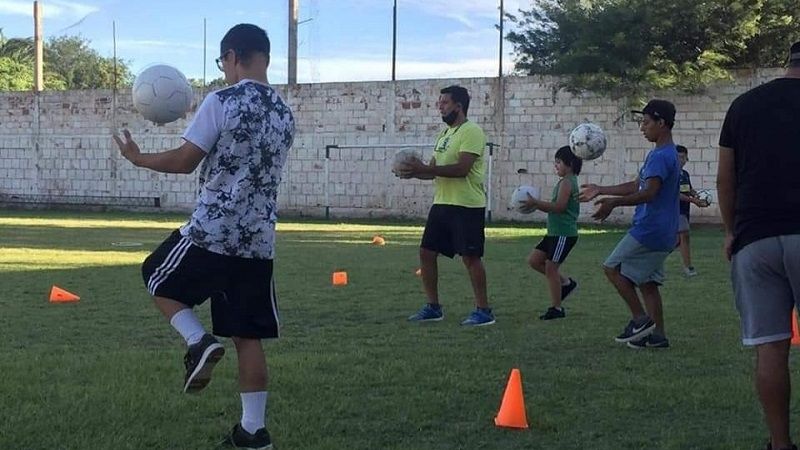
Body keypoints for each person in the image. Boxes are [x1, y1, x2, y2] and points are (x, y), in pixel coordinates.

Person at [113, 24, 294, 450]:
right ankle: (253, 432)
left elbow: (185, 160)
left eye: (223, 62)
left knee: (155, 274)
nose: (224, 70)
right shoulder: (284, 114)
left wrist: (138, 158)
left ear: (232, 56)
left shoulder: (222, 101)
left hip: (214, 229)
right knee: (247, 336)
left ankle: (198, 342)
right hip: (258, 241)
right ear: (265, 57)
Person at [717, 41, 800, 450]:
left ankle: (780, 444)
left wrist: (732, 231)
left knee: (770, 348)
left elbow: (725, 179)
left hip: (755, 241)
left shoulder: (743, 106)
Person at [579, 99, 680, 349]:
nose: (642, 128)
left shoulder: (661, 156)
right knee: (648, 283)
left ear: (661, 123)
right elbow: (637, 185)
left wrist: (614, 203)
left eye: (646, 123)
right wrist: (601, 189)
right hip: (664, 231)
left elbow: (649, 193)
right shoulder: (662, 153)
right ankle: (657, 337)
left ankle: (640, 320)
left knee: (611, 267)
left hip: (650, 230)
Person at [397, 85, 494, 326]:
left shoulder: (472, 131)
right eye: (439, 102)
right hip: (442, 203)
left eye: (444, 103)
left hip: (466, 205)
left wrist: (424, 168)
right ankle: (433, 307)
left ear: (458, 106)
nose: (440, 106)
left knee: (470, 257)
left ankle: (484, 311)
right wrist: (412, 172)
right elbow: (433, 171)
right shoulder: (444, 135)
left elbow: (462, 169)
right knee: (426, 252)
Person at [520, 145, 581, 320]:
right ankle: (566, 284)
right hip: (554, 233)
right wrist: (537, 204)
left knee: (551, 268)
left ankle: (557, 308)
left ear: (570, 164)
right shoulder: (564, 181)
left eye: (559, 162)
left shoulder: (568, 182)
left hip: (564, 234)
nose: (556, 165)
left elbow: (559, 207)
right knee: (534, 261)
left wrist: (536, 203)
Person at [676, 144, 710, 277]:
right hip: (675, 210)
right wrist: (693, 201)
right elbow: (675, 194)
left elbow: (688, 189)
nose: (681, 160)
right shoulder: (671, 174)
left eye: (683, 157)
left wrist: (698, 196)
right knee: (685, 236)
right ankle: (688, 267)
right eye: (678, 157)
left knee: (676, 240)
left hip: (684, 211)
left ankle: (652, 262)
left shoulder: (685, 174)